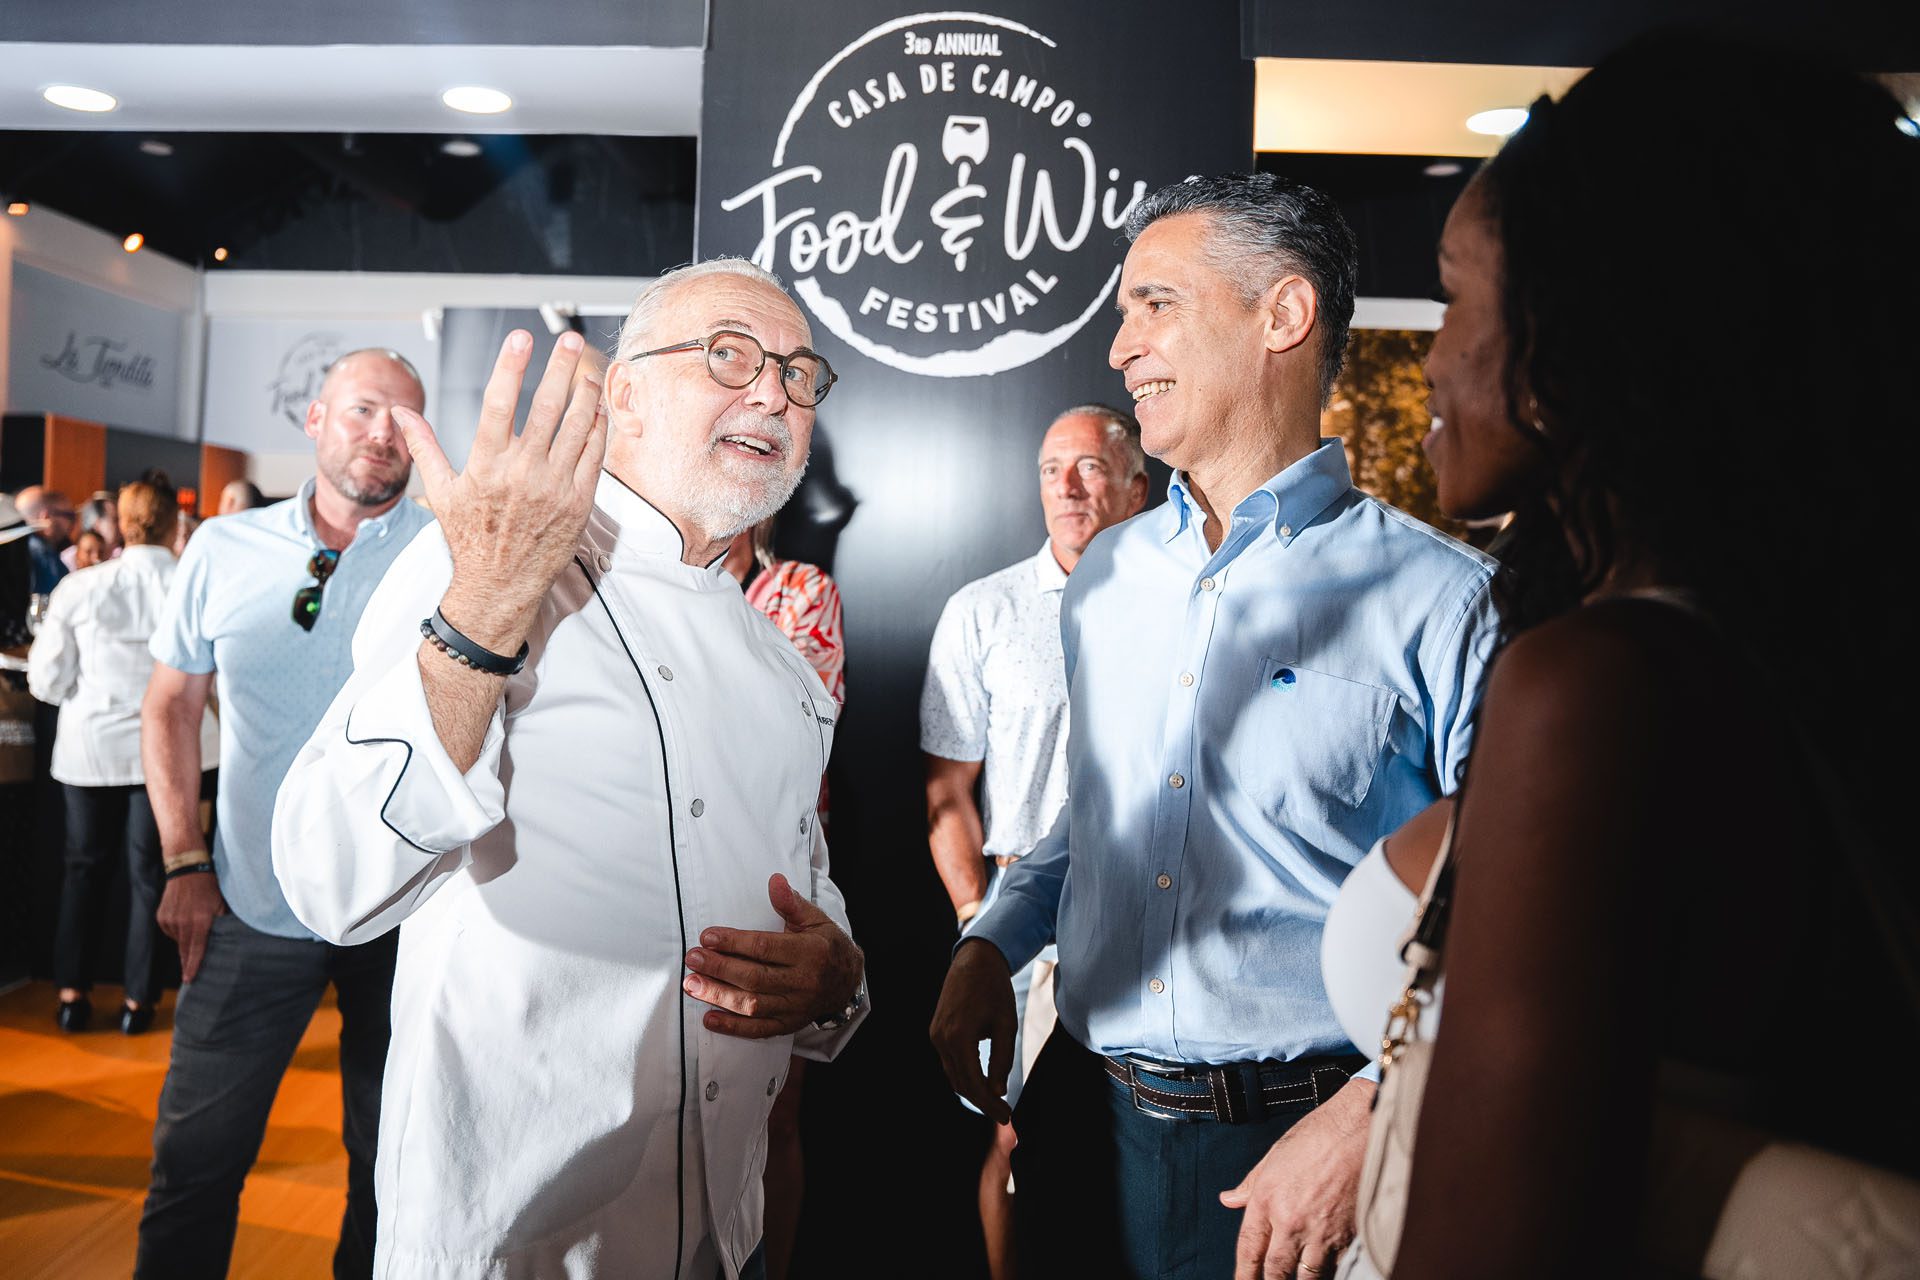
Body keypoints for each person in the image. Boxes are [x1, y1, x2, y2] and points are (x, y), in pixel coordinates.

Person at [1319, 34, 1920, 1280]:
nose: (1428, 355)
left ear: (1596, 318)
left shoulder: (1600, 687)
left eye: (1458, 293)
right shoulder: (1799, 652)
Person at [928, 173, 1500, 1280]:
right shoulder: (1105, 579)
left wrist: (1374, 1113)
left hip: (1299, 1157)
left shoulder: (1446, 598)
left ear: (1281, 316)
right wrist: (992, 938)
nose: (1120, 346)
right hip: (1084, 1122)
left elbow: (1504, 905)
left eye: (1154, 303)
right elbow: (1094, 824)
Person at [272, 258, 868, 1280]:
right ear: (621, 395)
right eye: (730, 355)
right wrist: (491, 600)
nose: (773, 390)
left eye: (798, 372)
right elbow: (332, 876)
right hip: (517, 1233)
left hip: (725, 1231)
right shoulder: (487, 568)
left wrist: (839, 979)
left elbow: (802, 882)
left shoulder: (779, 659)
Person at [136, 347, 434, 1279]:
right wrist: (184, 861)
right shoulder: (224, 548)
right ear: (314, 419)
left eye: (405, 417)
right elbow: (170, 703)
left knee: (393, 1176)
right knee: (192, 1170)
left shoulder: (447, 555)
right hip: (248, 911)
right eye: (362, 410)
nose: (382, 432)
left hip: (404, 917)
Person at [920, 403, 1149, 1280]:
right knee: (1012, 1141)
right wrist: (982, 922)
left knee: (1139, 1135)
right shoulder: (985, 611)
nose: (1068, 485)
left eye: (1089, 466)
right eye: (1052, 468)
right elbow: (947, 790)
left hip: (1147, 908)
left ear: (1137, 483)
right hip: (1023, 921)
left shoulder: (1183, 608)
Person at [28, 481, 219, 1035]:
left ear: (119, 526)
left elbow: (45, 680)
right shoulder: (193, 586)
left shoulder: (82, 588)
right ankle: (140, 1002)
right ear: (171, 527)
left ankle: (72, 994)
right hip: (170, 754)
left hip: (91, 749)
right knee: (149, 877)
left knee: (83, 870)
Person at [720, 514, 845, 1280]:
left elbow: (796, 736)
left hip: (781, 878)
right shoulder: (627, 595)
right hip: (667, 875)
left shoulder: (801, 589)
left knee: (775, 1111)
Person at [15, 485, 74, 595]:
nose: (72, 523)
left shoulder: (13, 550)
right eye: (69, 515)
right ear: (46, 517)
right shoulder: (41, 552)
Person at [61, 494, 121, 571]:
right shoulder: (68, 560)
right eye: (115, 520)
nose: (121, 524)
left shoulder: (124, 557)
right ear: (97, 524)